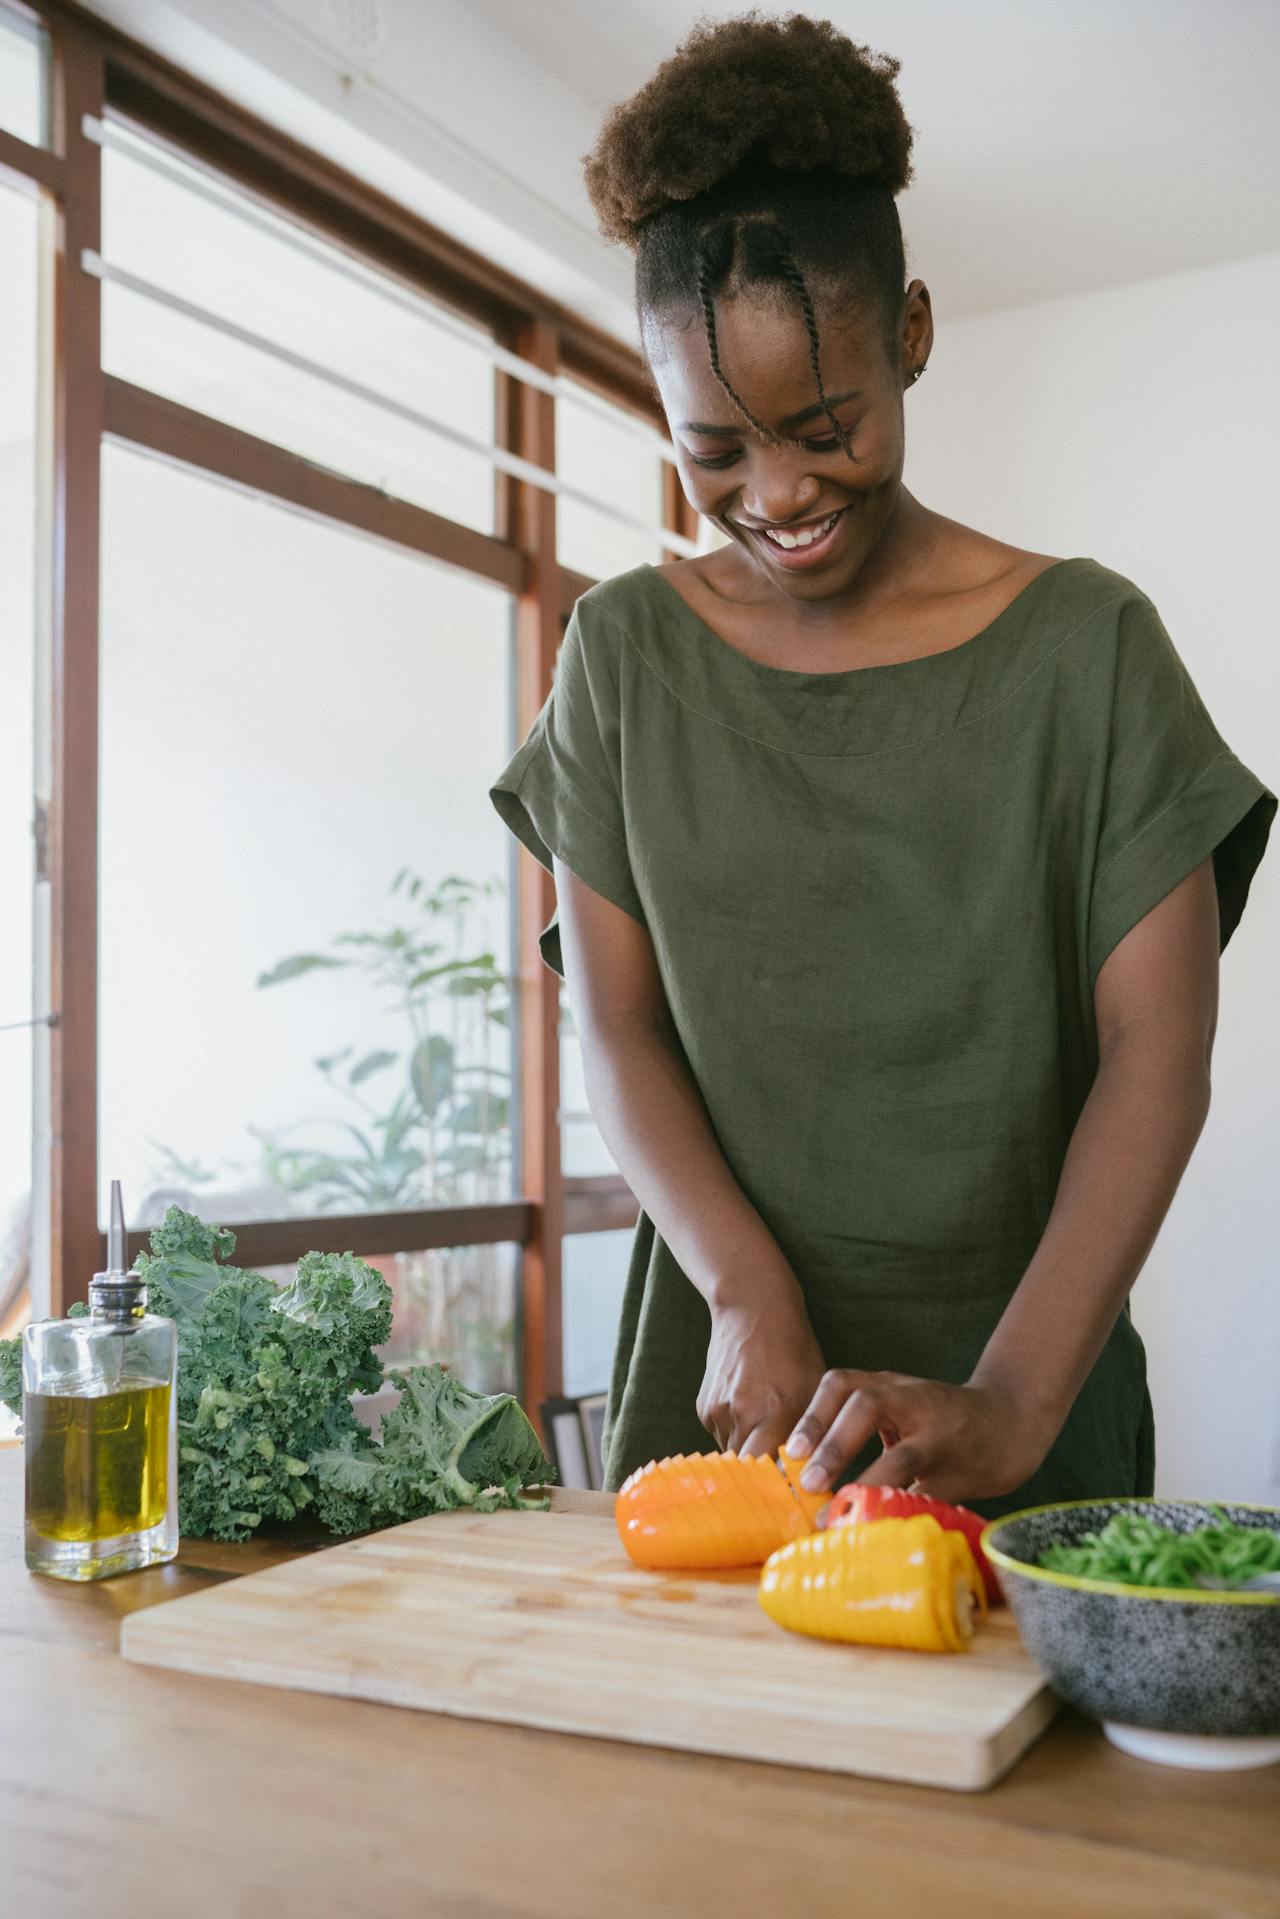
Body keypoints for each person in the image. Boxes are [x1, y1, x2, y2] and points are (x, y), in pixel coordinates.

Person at [489, 14, 1274, 1515]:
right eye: (714, 452)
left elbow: (1155, 1056)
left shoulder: (1090, 650)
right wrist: (742, 1290)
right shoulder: (622, 659)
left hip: (1024, 1399)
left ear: (910, 331)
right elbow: (621, 1034)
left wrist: (1011, 1399)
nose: (776, 494)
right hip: (728, 1399)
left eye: (823, 423)